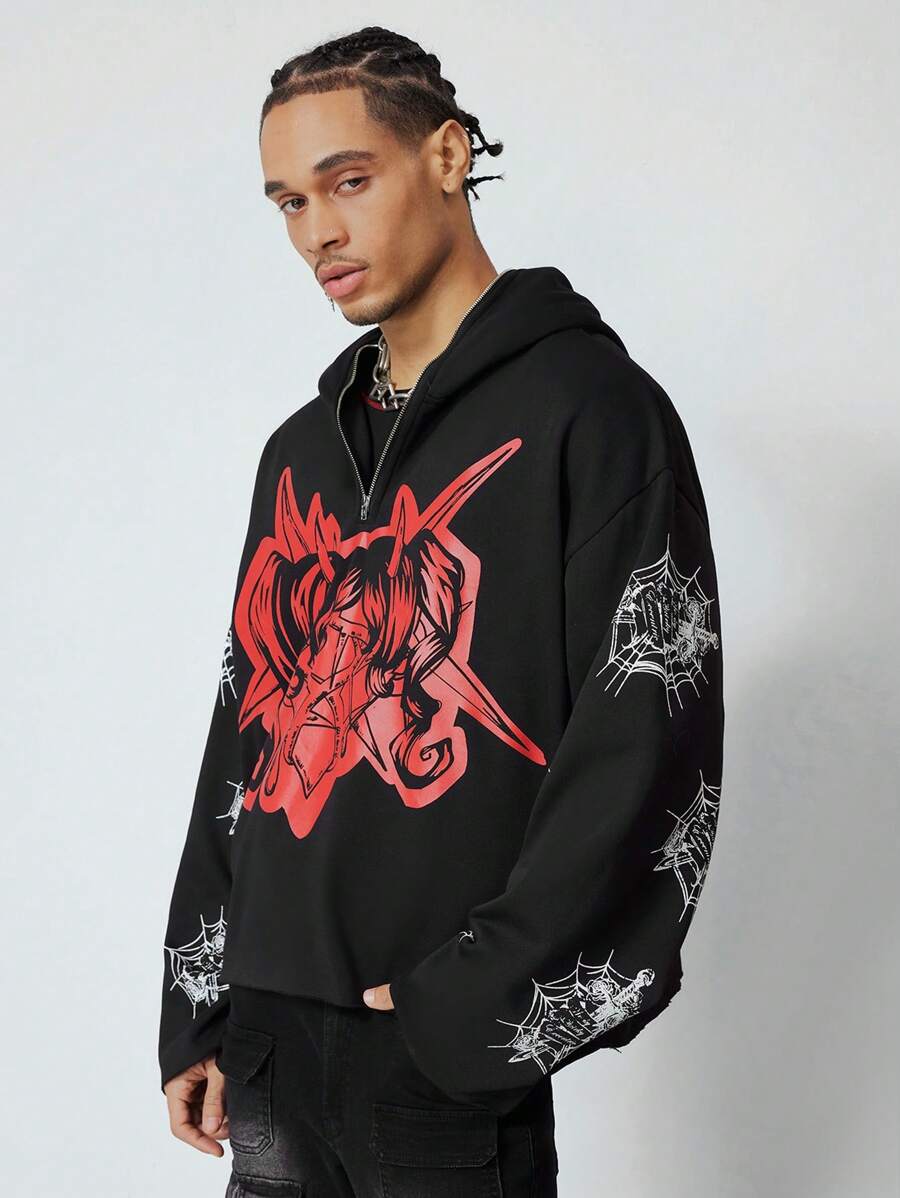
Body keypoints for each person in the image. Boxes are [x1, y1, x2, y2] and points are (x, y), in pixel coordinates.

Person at [159, 24, 725, 1198]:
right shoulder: (300, 453)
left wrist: (477, 1000)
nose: (316, 231)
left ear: (449, 155)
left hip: (436, 1056)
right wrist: (201, 999)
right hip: (268, 1041)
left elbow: (643, 737)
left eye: (347, 181)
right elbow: (248, 723)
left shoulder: (592, 412)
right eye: (288, 202)